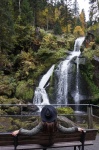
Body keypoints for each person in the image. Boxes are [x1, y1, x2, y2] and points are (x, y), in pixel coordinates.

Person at [12, 105, 83, 136]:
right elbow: (66, 130)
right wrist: (76, 128)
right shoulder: (56, 124)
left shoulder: (41, 124)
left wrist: (19, 131)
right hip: (52, 142)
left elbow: (31, 132)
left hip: (42, 143)